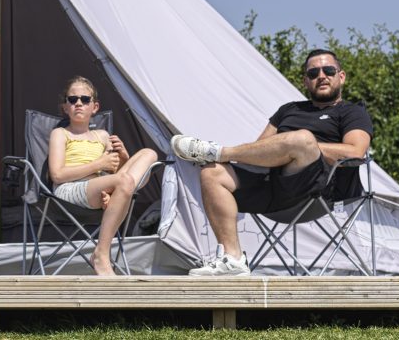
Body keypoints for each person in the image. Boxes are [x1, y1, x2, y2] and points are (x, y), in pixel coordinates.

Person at [170, 49, 373, 276]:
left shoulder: (352, 112)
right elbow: (260, 150)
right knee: (212, 172)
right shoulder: (289, 110)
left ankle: (219, 151)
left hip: (316, 192)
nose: (321, 76)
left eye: (328, 70)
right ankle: (232, 259)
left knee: (302, 139)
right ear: (306, 80)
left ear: (341, 76)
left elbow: (356, 151)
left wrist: (304, 146)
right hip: (272, 190)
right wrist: (287, 147)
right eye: (313, 72)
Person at [46, 76, 158, 276]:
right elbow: (57, 175)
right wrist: (99, 164)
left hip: (101, 185)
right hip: (70, 189)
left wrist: (123, 158)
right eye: (72, 100)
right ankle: (101, 254)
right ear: (65, 107)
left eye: (85, 99)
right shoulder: (61, 134)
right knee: (124, 182)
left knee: (149, 154)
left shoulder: (103, 136)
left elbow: (114, 171)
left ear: (94, 107)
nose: (78, 103)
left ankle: (112, 194)